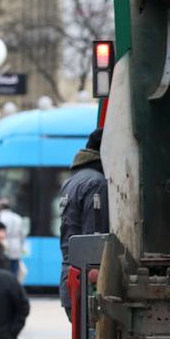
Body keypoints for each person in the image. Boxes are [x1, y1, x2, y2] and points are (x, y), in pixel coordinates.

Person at [58, 127, 108, 314]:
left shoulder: (71, 181)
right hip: (85, 282)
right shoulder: (96, 183)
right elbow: (94, 239)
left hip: (69, 275)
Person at [0, 199, 27, 280]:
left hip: (4, 248)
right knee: (14, 272)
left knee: (5, 272)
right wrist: (21, 246)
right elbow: (23, 235)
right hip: (16, 248)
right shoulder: (17, 217)